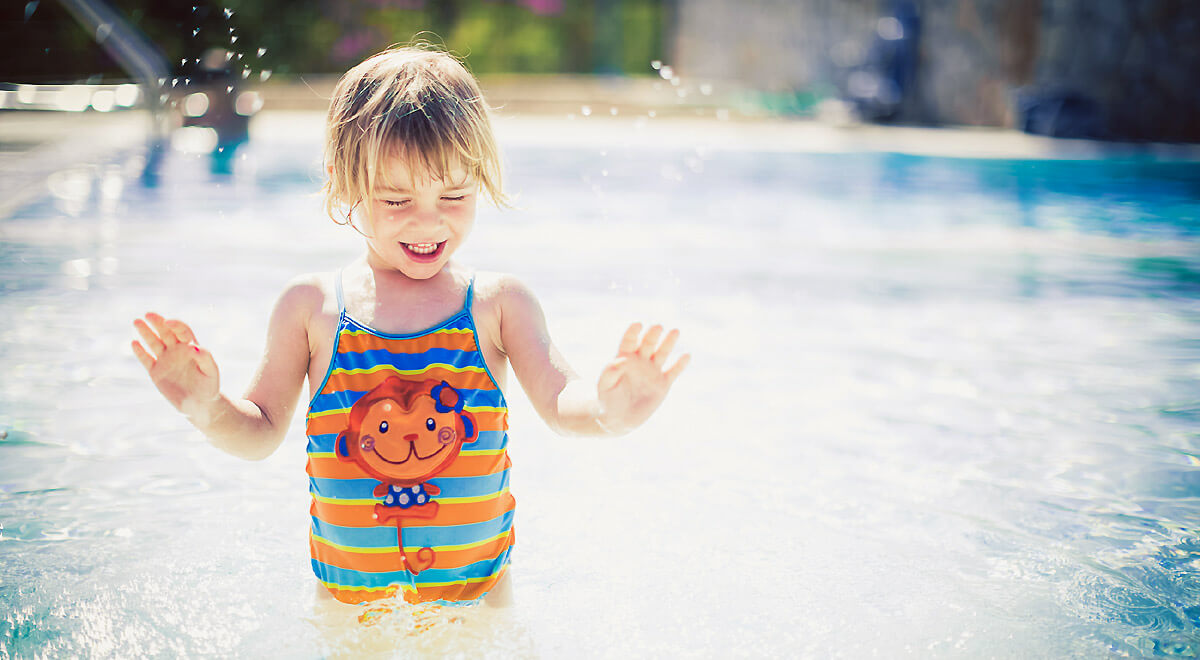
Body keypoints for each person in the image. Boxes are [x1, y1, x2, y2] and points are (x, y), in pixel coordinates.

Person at [130, 44, 689, 609]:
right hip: (351, 616)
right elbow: (259, 434)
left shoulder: (497, 304)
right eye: (396, 199)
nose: (429, 220)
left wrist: (610, 412)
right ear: (343, 182)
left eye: (454, 195)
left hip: (477, 611)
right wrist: (205, 407)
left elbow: (562, 402)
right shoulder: (311, 307)